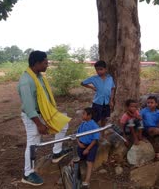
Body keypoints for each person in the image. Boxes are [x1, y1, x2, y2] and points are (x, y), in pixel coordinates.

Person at [18, 51, 71, 186]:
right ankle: (27, 173)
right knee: (33, 142)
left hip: (44, 112)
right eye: (45, 63)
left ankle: (57, 153)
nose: (47, 65)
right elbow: (29, 108)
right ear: (37, 63)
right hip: (33, 116)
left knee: (63, 124)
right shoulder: (26, 81)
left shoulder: (38, 76)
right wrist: (39, 124)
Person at [81, 60, 115, 131]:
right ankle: (92, 132)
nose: (99, 71)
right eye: (97, 70)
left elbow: (112, 89)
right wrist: (92, 87)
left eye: (101, 69)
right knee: (94, 118)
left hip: (106, 102)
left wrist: (111, 100)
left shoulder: (110, 78)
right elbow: (82, 83)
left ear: (105, 69)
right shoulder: (94, 78)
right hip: (97, 102)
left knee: (104, 118)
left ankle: (102, 132)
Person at [76, 107, 100, 187]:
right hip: (82, 144)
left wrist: (87, 149)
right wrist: (79, 143)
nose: (82, 115)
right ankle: (73, 175)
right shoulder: (82, 124)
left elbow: (95, 140)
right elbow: (77, 135)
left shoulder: (94, 126)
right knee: (76, 160)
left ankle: (87, 180)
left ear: (89, 115)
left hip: (91, 145)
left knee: (89, 162)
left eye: (84, 113)